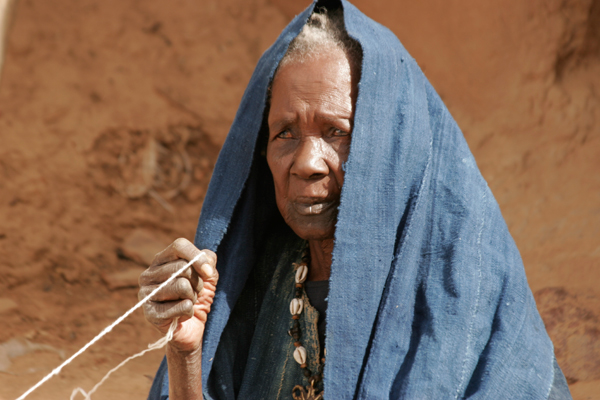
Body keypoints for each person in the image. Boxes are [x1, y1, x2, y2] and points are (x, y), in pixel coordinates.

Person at [139, 1, 572, 399]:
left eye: (337, 132)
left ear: (392, 147)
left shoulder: (461, 290)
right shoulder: (251, 286)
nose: (306, 163)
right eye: (285, 133)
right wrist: (186, 353)